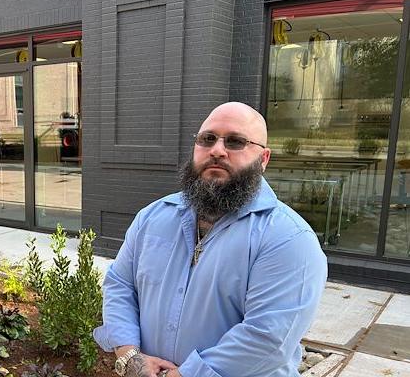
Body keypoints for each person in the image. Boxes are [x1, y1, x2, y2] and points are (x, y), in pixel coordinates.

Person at [93, 102, 327, 377]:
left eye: (236, 141)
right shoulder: (152, 217)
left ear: (263, 159)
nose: (217, 149)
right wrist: (130, 356)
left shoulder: (289, 239)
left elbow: (269, 338)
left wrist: (185, 374)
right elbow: (120, 284)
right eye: (208, 139)